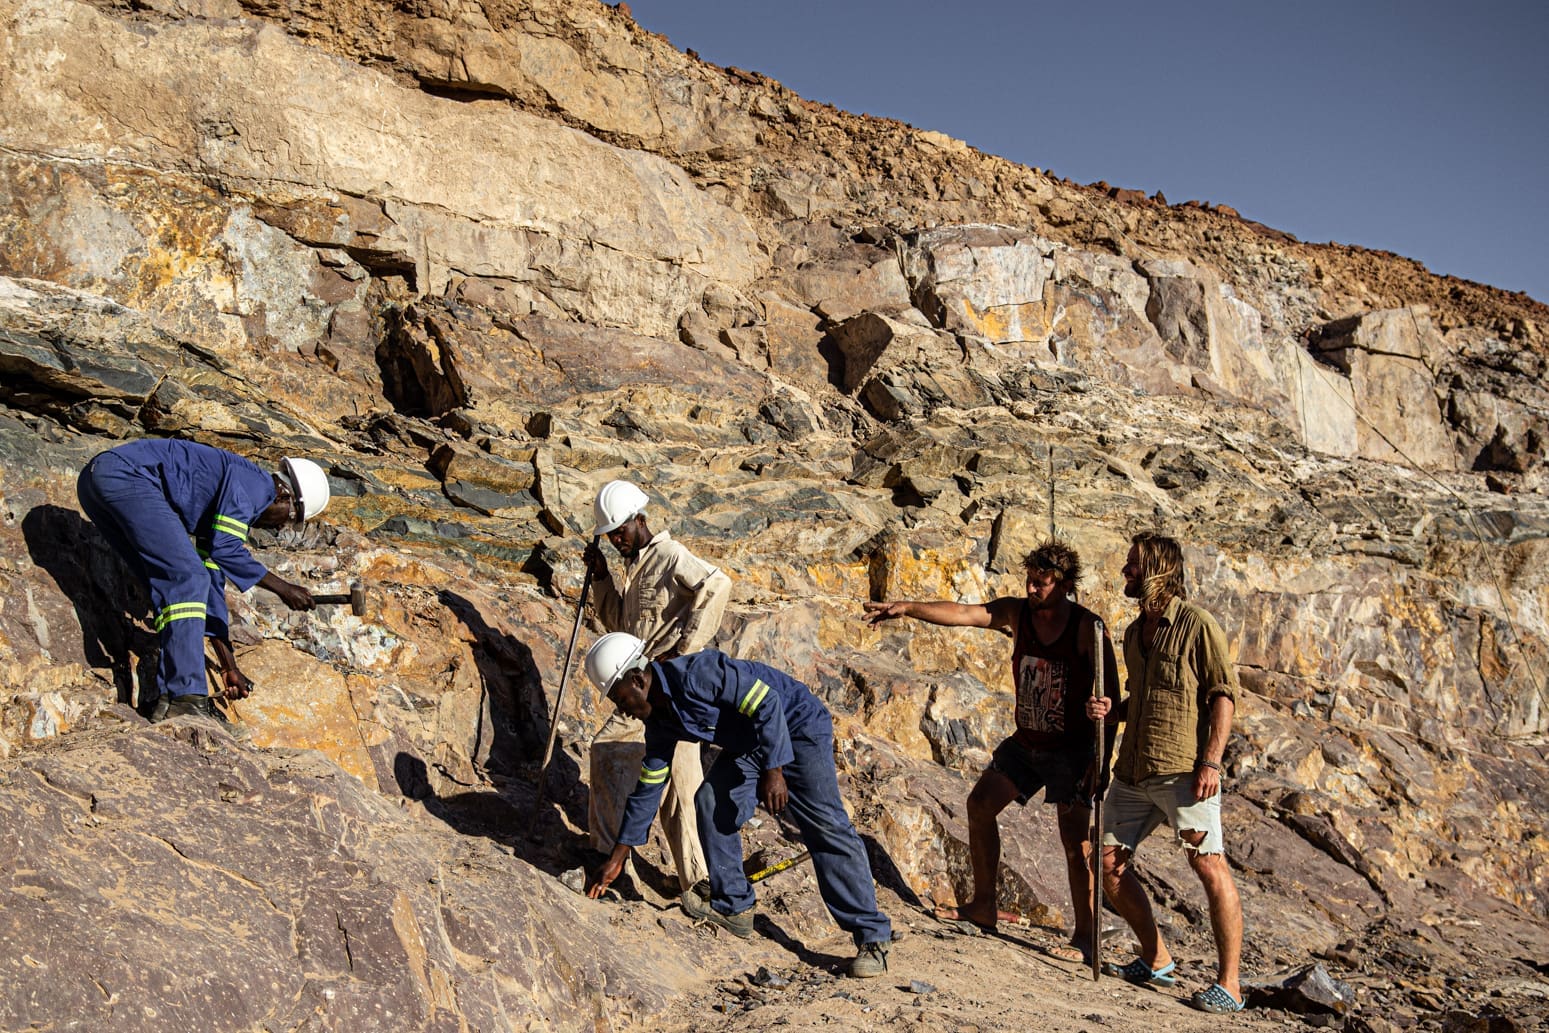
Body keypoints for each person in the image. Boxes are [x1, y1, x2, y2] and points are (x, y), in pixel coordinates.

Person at [864, 539, 1119, 962]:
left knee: (1076, 843)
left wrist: (1100, 761)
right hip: (1027, 740)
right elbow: (965, 613)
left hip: (1071, 749)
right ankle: (983, 906)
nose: (1034, 589)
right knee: (980, 804)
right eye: (1031, 580)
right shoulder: (1017, 613)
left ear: (1065, 584)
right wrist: (908, 607)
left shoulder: (1087, 628)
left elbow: (1108, 700)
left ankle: (1086, 938)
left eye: (1043, 583)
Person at [583, 633, 893, 979]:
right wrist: (617, 857)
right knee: (710, 800)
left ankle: (872, 938)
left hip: (797, 725)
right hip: (751, 743)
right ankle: (735, 905)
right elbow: (649, 788)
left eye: (618, 697)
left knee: (824, 825)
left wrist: (774, 770)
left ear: (638, 679)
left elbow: (768, 703)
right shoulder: (660, 721)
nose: (620, 708)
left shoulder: (698, 673)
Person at [1086, 531, 1244, 1014]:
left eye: (1133, 564)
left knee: (1208, 865)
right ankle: (1155, 958)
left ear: (1156, 568)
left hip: (1183, 770)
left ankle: (1231, 986)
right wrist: (1113, 711)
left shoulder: (1197, 625)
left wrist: (1212, 762)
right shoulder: (1135, 633)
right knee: (1106, 864)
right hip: (1133, 768)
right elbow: (1148, 700)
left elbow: (1223, 695)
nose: (1125, 572)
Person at [76, 438, 331, 721]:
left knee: (170, 585)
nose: (283, 525)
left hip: (95, 484)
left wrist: (228, 665)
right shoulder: (255, 486)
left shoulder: (228, 499)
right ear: (284, 495)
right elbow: (226, 550)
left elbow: (210, 584)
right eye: (292, 516)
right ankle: (187, 698)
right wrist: (284, 589)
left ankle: (169, 698)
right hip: (126, 476)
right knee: (186, 576)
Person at [582, 479, 730, 897]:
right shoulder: (634, 569)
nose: (615, 540)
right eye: (609, 535)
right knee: (679, 786)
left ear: (638, 519)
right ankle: (697, 882)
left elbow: (718, 586)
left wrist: (684, 650)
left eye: (619, 531)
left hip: (666, 688)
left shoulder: (669, 555)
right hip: (643, 690)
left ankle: (612, 858)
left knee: (611, 750)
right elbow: (621, 627)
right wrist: (601, 578)